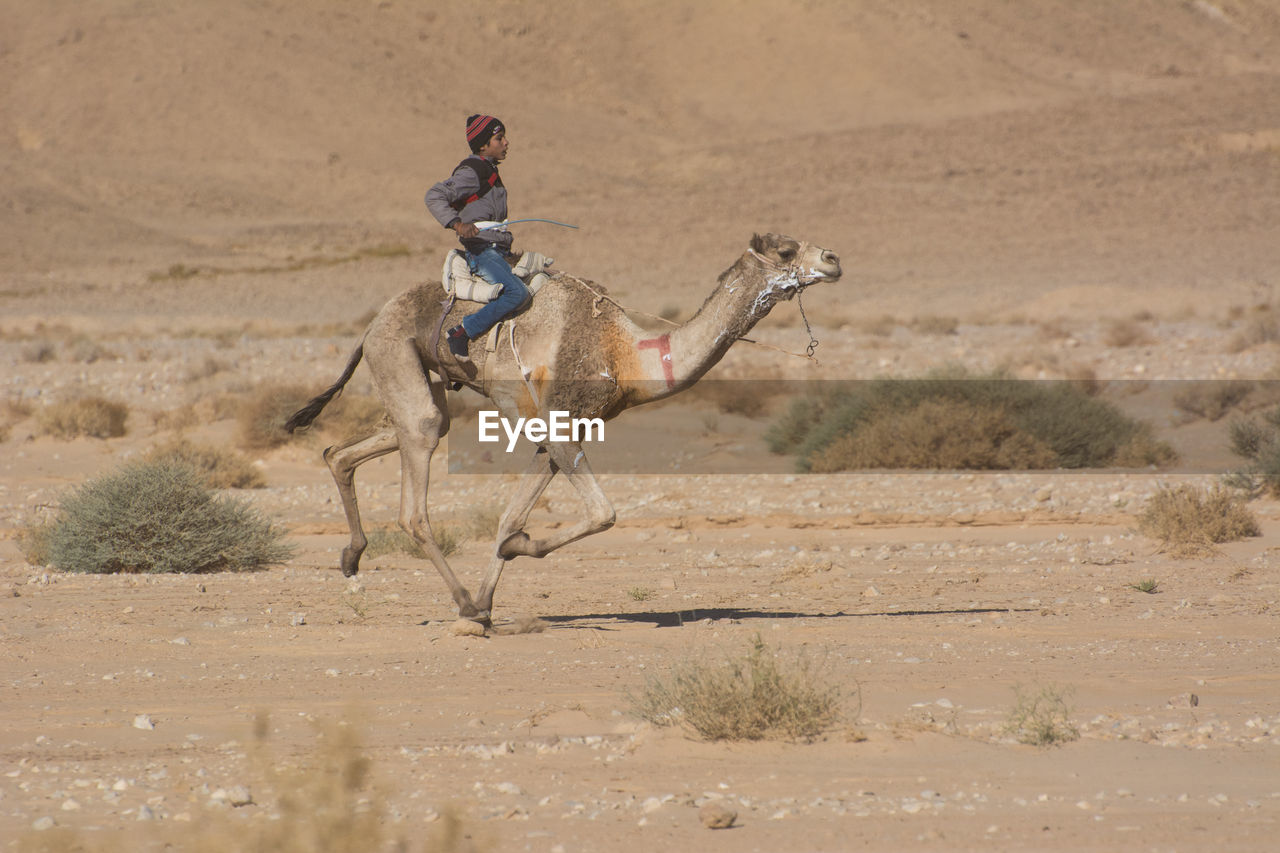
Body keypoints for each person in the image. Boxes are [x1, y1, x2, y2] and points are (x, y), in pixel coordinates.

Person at [424, 114, 529, 362]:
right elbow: (434, 196)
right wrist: (457, 224)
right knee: (517, 294)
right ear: (483, 145)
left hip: (499, 250)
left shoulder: (489, 171)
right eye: (499, 138)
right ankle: (462, 332)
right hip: (483, 252)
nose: (506, 143)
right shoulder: (472, 172)